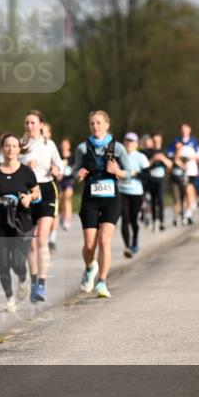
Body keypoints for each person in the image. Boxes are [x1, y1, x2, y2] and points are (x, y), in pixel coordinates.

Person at [73, 111, 127, 298]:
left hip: (111, 199)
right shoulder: (82, 148)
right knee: (90, 245)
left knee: (104, 241)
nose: (95, 126)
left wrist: (118, 171)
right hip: (91, 199)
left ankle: (102, 282)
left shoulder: (118, 148)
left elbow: (129, 172)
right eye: (92, 123)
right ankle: (90, 268)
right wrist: (78, 175)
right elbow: (75, 172)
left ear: (107, 125)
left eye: (98, 123)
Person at [0, 133, 39, 312]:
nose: (10, 149)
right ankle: (9, 299)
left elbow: (37, 192)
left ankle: (23, 279)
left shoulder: (26, 172)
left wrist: (29, 197)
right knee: (3, 264)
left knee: (17, 263)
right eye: (7, 145)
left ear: (19, 149)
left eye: (14, 146)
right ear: (2, 148)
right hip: (0, 223)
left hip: (21, 223)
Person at [20, 110, 63, 303]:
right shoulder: (20, 145)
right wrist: (26, 169)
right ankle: (34, 280)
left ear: (41, 125)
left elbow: (60, 166)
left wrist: (56, 169)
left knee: (42, 238)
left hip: (46, 189)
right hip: (27, 191)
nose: (30, 126)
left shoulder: (49, 144)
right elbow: (13, 169)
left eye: (33, 123)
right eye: (27, 123)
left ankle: (42, 284)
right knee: (31, 242)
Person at [119, 132, 149, 257]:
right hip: (122, 191)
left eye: (131, 141)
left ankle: (135, 240)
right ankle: (127, 246)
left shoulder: (141, 157)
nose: (128, 143)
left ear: (136, 144)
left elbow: (147, 175)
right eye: (126, 141)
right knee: (125, 219)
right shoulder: (119, 156)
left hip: (136, 192)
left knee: (133, 219)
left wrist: (135, 173)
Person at [141, 134, 170, 231]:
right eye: (155, 141)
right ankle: (154, 221)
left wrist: (162, 158)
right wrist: (153, 159)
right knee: (153, 200)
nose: (157, 143)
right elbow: (145, 166)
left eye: (158, 141)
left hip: (161, 178)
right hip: (151, 178)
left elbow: (170, 164)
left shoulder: (164, 151)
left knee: (160, 199)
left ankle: (161, 221)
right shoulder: (148, 152)